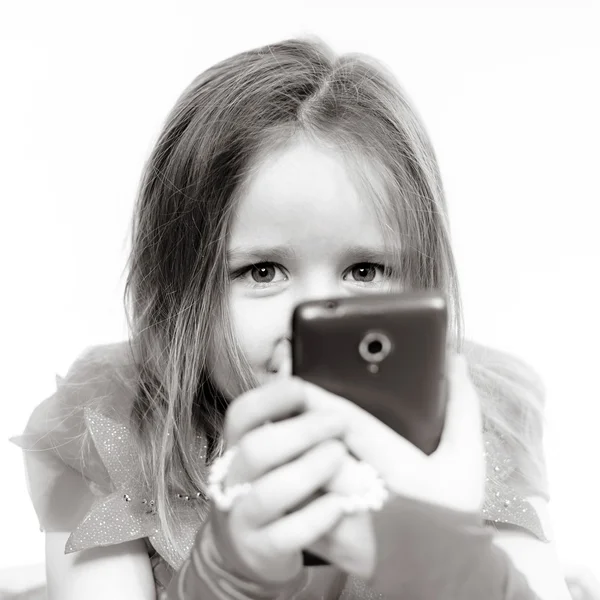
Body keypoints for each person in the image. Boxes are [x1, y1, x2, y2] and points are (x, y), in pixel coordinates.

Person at [12, 37, 572, 599]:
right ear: (179, 289)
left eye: (365, 270)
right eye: (262, 272)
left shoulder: (475, 418)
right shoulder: (113, 427)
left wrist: (448, 566)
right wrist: (224, 579)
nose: (310, 321)